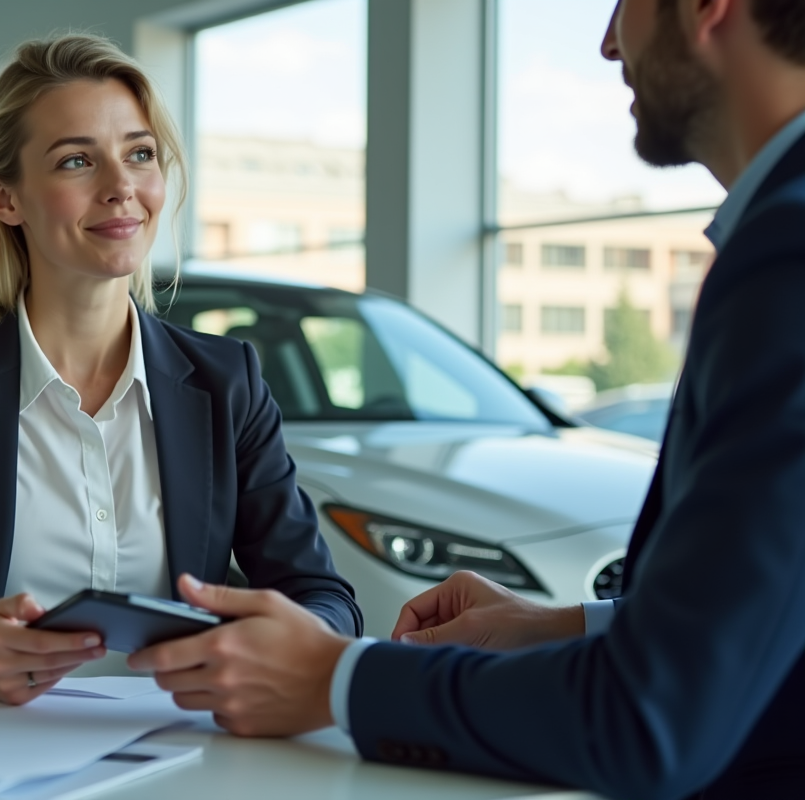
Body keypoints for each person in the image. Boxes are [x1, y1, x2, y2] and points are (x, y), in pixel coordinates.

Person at [129, 1, 805, 797]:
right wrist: (559, 626)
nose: (607, 40)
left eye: (624, 3)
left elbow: (645, 720)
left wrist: (336, 677)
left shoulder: (785, 258)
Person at [0, 34, 361, 705]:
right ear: (5, 198)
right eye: (77, 160)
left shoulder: (226, 380)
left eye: (139, 154)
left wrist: (288, 643)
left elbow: (324, 599)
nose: (122, 188)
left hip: (178, 752)